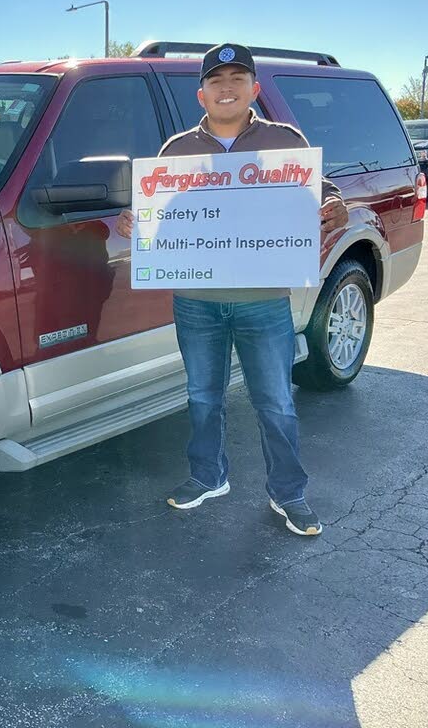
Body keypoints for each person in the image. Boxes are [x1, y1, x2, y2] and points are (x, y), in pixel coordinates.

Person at [115, 43, 348, 536]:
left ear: (254, 90)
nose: (227, 89)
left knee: (276, 402)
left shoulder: (285, 140)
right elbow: (159, 219)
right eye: (217, 82)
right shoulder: (175, 152)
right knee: (203, 396)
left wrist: (335, 204)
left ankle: (289, 493)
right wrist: (136, 220)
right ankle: (207, 476)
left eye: (237, 80)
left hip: (264, 302)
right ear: (201, 94)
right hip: (196, 302)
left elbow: (320, 190)